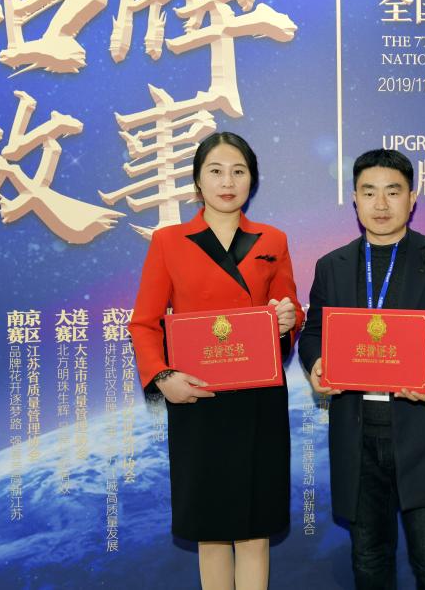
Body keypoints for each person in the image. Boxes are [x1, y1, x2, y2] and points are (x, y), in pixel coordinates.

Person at [299, 149, 425, 589]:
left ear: (412, 198)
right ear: (354, 199)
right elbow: (312, 333)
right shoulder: (332, 266)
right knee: (369, 560)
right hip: (357, 436)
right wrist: (315, 361)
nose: (380, 204)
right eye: (369, 192)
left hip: (423, 434)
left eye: (393, 192)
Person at [128, 132, 303, 590]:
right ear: (197, 181)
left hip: (259, 398)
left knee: (255, 529)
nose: (228, 182)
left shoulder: (272, 239)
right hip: (197, 397)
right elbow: (144, 323)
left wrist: (288, 319)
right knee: (211, 530)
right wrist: (162, 376)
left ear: (252, 180)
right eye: (216, 171)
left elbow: (289, 307)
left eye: (238, 171)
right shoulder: (169, 241)